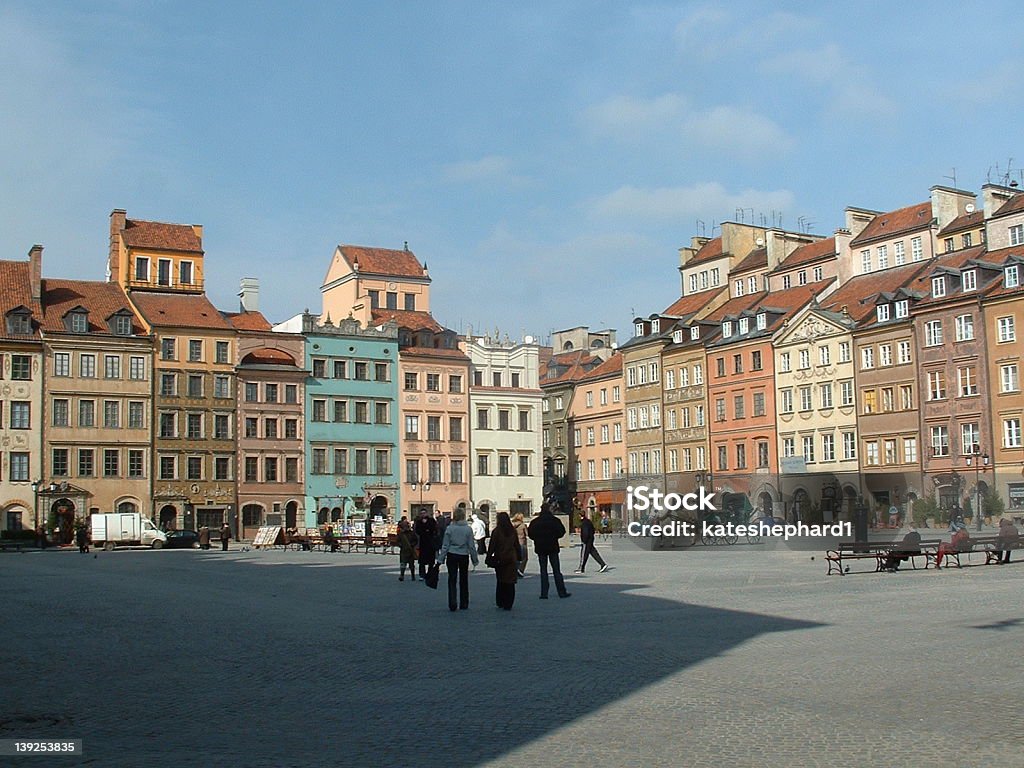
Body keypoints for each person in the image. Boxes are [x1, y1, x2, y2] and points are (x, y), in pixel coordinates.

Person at [437, 508, 478, 611]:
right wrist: (474, 559)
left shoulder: (450, 528)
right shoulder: (468, 529)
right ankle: (464, 603)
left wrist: (440, 559)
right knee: (464, 580)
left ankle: (452, 603)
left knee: (452, 579)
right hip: (464, 555)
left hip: (452, 554)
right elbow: (471, 546)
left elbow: (445, 545)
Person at [527, 503, 571, 599]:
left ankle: (544, 593)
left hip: (540, 548)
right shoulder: (555, 520)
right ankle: (561, 592)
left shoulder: (535, 522)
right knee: (556, 570)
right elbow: (562, 532)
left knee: (543, 571)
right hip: (552, 547)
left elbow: (530, 534)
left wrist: (538, 539)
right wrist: (554, 537)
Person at [486, 512, 521, 610]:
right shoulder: (512, 531)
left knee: (501, 580)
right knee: (510, 581)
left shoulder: (496, 531)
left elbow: (492, 546)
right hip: (511, 558)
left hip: (500, 559)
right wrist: (519, 556)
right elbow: (516, 545)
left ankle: (500, 601)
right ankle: (509, 603)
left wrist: (488, 557)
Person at [414, 508, 438, 579]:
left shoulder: (431, 520)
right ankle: (422, 574)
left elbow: (434, 529)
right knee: (422, 561)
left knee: (431, 561)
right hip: (423, 543)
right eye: (421, 513)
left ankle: (429, 573)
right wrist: (425, 529)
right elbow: (418, 531)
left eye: (424, 513)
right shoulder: (418, 522)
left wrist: (427, 529)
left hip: (431, 543)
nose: (423, 514)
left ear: (427, 513)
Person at [512, 512, 529, 577]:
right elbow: (527, 534)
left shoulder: (511, 524)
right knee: (524, 558)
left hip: (514, 543)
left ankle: (514, 570)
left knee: (515, 558)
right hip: (522, 542)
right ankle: (520, 570)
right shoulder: (523, 525)